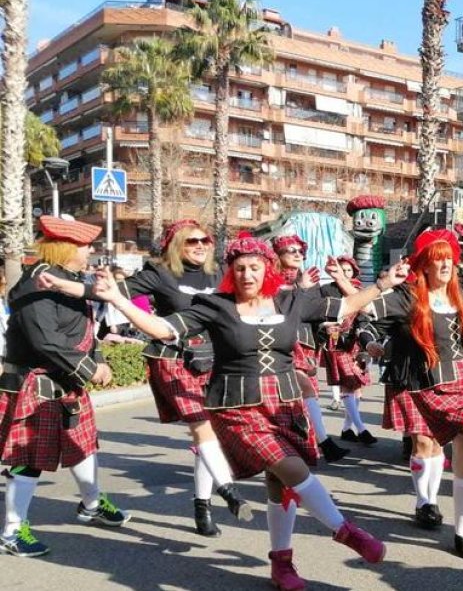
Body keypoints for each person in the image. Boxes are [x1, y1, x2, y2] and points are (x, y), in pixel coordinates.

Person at [88, 235, 397, 589]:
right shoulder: (216, 305)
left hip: (284, 402)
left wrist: (382, 285)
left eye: (253, 267)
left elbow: (343, 307)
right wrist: (116, 299)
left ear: (267, 268)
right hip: (237, 406)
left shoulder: (289, 299)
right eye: (239, 268)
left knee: (279, 483)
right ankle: (345, 531)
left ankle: (282, 564)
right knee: (291, 467)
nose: (247, 274)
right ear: (230, 272)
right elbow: (164, 329)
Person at [360, 229, 463, 557]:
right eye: (437, 259)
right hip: (422, 381)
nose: (445, 265)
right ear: (422, 265)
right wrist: (382, 285)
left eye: (449, 259)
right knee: (425, 442)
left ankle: (462, 531)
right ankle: (426, 502)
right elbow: (363, 312)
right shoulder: (407, 297)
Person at [0, 216, 131, 557]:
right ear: (66, 248)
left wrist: (98, 357)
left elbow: (87, 328)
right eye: (85, 245)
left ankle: (90, 504)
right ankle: (13, 532)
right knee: (26, 458)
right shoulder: (35, 283)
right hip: (34, 382)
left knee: (82, 444)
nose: (90, 251)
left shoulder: (70, 280)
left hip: (65, 381)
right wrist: (90, 368)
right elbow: (46, 341)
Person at [111, 220, 248, 536]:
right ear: (176, 246)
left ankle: (203, 507)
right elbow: (113, 293)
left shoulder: (219, 275)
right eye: (191, 241)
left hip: (214, 360)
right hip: (173, 359)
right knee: (202, 426)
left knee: (210, 434)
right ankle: (228, 490)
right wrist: (71, 287)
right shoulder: (159, 273)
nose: (200, 245)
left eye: (204, 240)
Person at [272, 235, 349, 464]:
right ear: (278, 255)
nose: (297, 254)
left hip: (306, 346)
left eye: (300, 251)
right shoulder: (269, 279)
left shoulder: (311, 280)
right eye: (290, 250)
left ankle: (308, 445)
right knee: (298, 394)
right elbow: (277, 308)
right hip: (279, 343)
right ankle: (322, 443)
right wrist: (299, 288)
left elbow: (315, 312)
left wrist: (326, 325)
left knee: (305, 397)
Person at [319, 256, 376, 445]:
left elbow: (364, 320)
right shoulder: (326, 290)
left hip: (355, 345)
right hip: (335, 345)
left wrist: (366, 342)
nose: (345, 273)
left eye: (349, 270)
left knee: (357, 388)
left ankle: (346, 429)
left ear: (354, 272)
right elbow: (316, 315)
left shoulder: (360, 292)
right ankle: (362, 429)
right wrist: (325, 326)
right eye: (341, 270)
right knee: (348, 384)